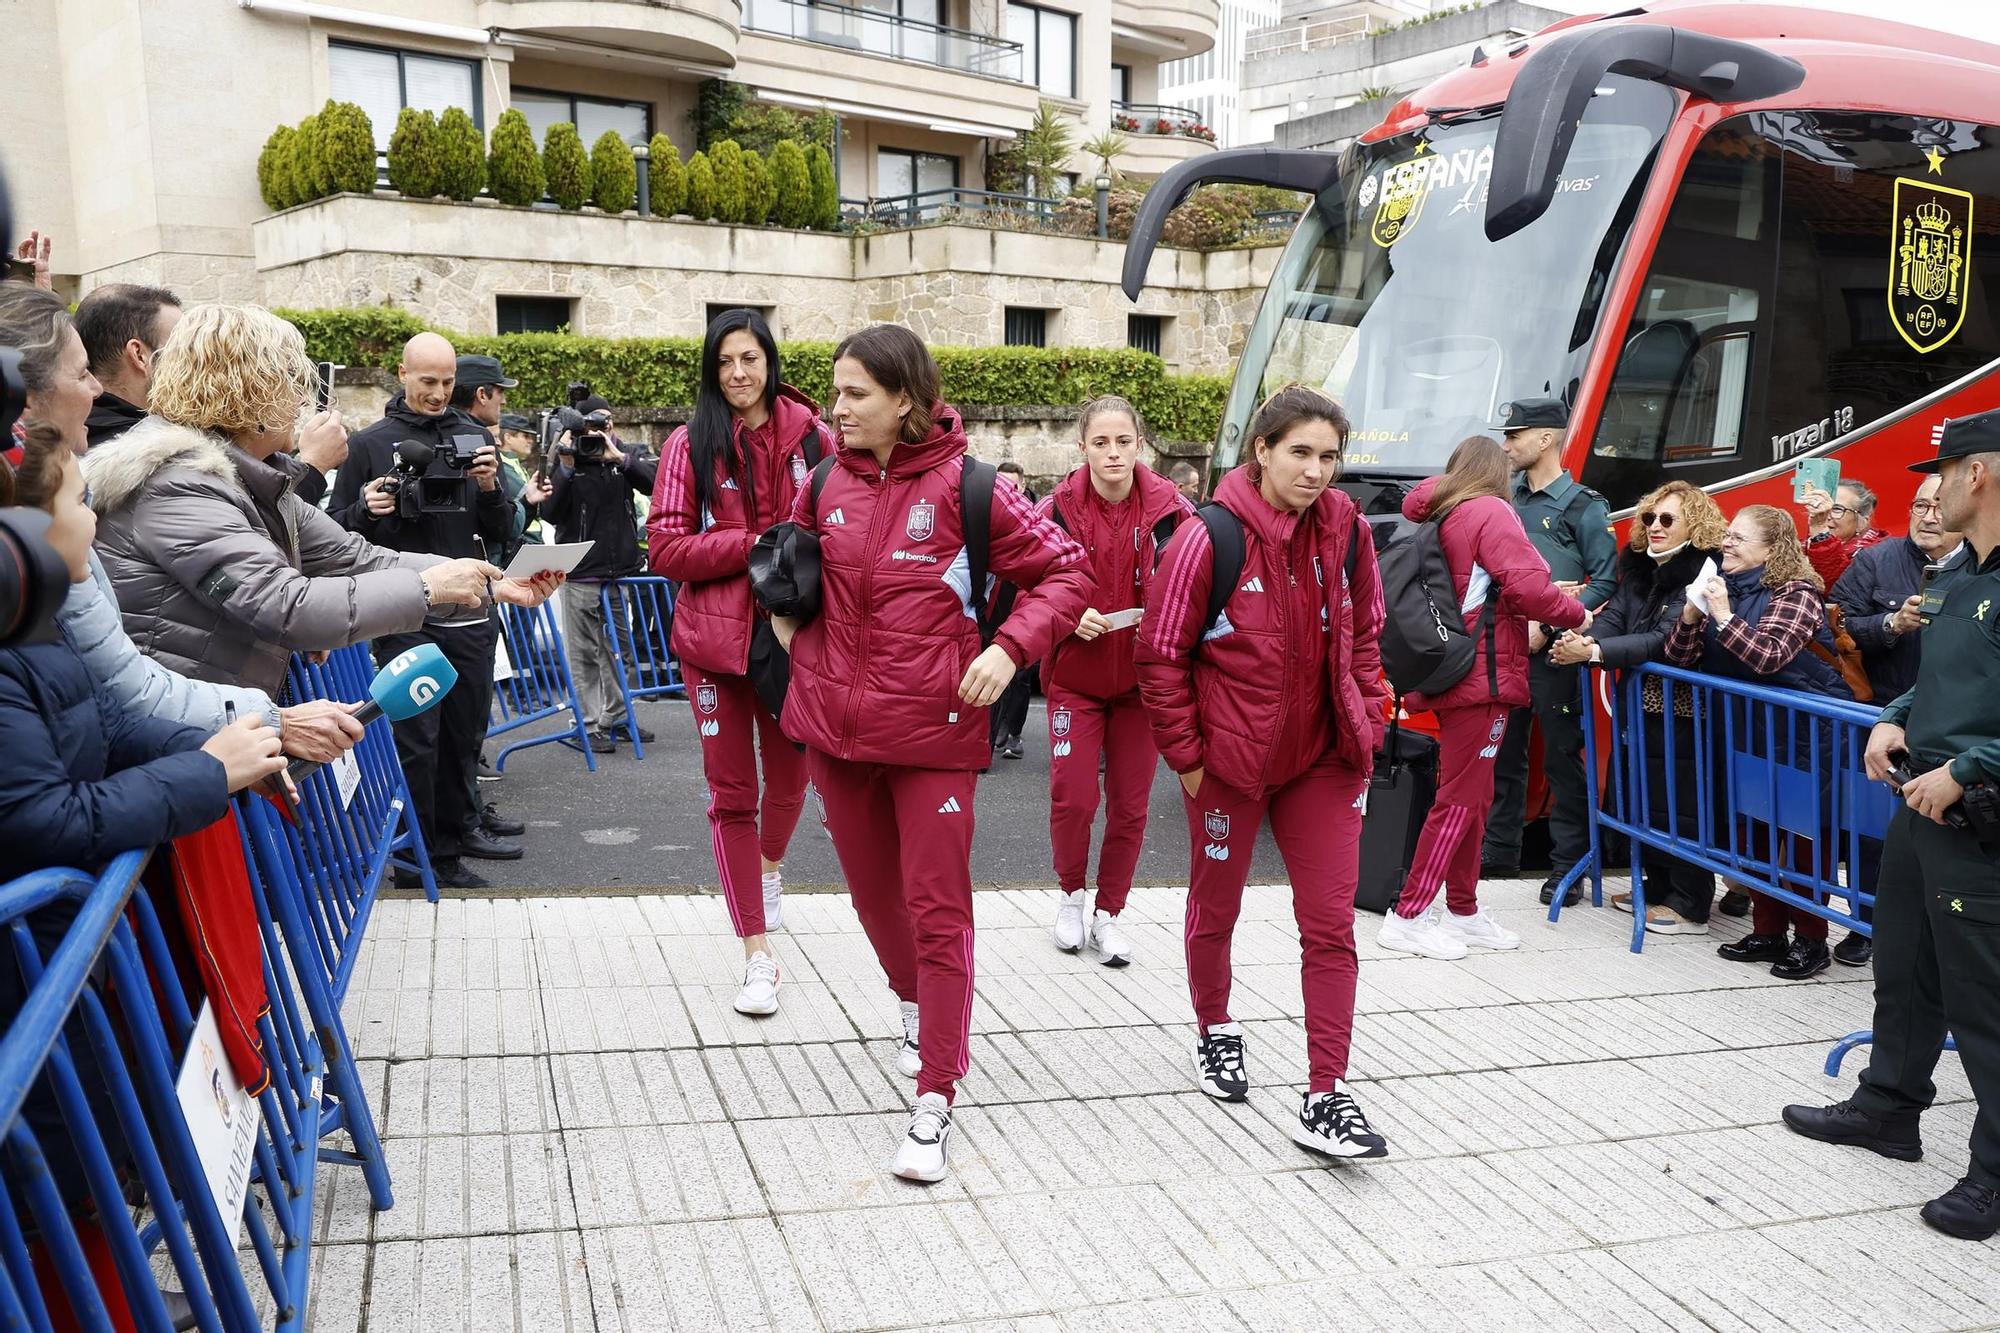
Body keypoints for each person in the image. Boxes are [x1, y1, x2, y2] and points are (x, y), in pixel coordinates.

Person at [85, 308, 558, 892]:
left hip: (202, 737)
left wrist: (484, 581)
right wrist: (429, 588)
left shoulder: (247, 477)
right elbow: (286, 605)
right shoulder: (180, 483)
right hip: (168, 744)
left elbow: (357, 558)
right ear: (252, 390)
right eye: (294, 381)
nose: (304, 402)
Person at [771, 324, 1088, 1182]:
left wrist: (1007, 648)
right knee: (877, 904)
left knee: (937, 907)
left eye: (854, 394)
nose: (836, 408)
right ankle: (913, 1005)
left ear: (904, 397)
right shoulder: (827, 478)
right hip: (836, 734)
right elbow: (788, 564)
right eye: (834, 392)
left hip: (936, 737)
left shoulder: (971, 487)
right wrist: (792, 633)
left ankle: (937, 1094)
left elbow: (1067, 574)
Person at [0, 423, 293, 1332]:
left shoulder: (40, 633)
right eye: (80, 502)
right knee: (55, 1161)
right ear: (22, 538)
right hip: (34, 971)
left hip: (71, 966)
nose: (94, 518)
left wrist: (227, 749)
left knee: (84, 1165)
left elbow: (102, 738)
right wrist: (207, 773)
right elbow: (43, 814)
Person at [1136, 385, 1392, 1160]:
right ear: (1263, 451)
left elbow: (1368, 636)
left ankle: (1326, 1090)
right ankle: (1215, 1027)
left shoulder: (1347, 531)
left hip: (1323, 761)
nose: (1317, 471)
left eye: (1330, 456)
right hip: (1228, 764)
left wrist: (1369, 718)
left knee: (1331, 923)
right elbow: (1159, 654)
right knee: (1217, 909)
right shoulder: (1207, 536)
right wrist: (1186, 758)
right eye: (1301, 453)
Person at [1784, 407, 2000, 1243]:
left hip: (1977, 817)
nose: (1933, 491)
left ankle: (1992, 1174)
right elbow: (1937, 675)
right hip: (1921, 806)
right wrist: (1895, 717)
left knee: (1983, 1002)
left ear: (1976, 473)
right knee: (1903, 968)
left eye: (1939, 474)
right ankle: (1888, 1107)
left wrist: (1969, 770)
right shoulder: (1960, 571)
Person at [650, 309, 824, 1016]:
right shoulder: (689, 444)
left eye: (749, 358)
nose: (738, 374)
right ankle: (757, 953)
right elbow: (663, 549)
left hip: (791, 638)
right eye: (724, 362)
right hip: (713, 645)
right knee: (732, 795)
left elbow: (837, 526)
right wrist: (749, 542)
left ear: (770, 361)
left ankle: (770, 868)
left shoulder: (815, 436)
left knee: (791, 782)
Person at [1378, 435, 1589, 960]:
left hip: (1451, 666)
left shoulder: (1441, 509)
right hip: (1483, 672)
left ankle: (1464, 910)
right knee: (1460, 798)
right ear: (1498, 473)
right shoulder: (1491, 510)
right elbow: (1526, 587)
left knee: (1472, 795)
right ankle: (1409, 914)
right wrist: (1577, 615)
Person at [329, 333, 528, 886]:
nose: (440, 394)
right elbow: (333, 531)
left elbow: (498, 531)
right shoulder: (369, 444)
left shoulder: (472, 435)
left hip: (471, 611)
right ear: (402, 375)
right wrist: (367, 506)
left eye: (447, 383)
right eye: (428, 382)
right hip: (405, 613)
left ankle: (460, 830)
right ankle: (423, 860)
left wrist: (489, 488)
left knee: (466, 732)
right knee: (418, 741)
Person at [1038, 395, 1193, 965]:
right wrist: (1065, 613)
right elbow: (1028, 577)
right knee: (1074, 797)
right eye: (1100, 442)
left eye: (1122, 442)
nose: (1112, 453)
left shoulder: (1173, 511)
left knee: (1131, 807)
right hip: (1074, 679)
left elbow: (1194, 580)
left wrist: (1166, 611)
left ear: (1140, 445)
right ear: (1082, 447)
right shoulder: (1054, 509)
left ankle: (1109, 913)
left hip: (1142, 685)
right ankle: (1070, 898)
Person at [1665, 504, 1850, 979]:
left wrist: (1723, 615)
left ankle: (1811, 940)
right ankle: (1768, 930)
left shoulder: (1796, 593)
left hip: (1805, 734)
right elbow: (1680, 659)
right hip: (1751, 730)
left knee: (1806, 842)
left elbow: (1767, 657)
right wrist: (1690, 616)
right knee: (1756, 836)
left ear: (1771, 550)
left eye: (1738, 538)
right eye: (1726, 534)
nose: (1725, 542)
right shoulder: (1722, 589)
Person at [1552, 481, 1728, 932]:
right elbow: (1617, 616)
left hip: (1688, 708)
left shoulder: (1703, 572)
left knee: (1682, 801)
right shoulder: (1641, 567)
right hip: (1641, 701)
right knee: (1644, 795)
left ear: (1695, 524)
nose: (1654, 527)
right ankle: (1656, 883)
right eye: (1650, 517)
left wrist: (1592, 654)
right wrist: (1587, 637)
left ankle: (1689, 902)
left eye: (1668, 519)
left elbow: (1663, 641)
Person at [1480, 399, 1617, 904]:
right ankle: (1497, 852)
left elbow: (1606, 581)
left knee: (1561, 758)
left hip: (1556, 649)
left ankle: (1569, 867)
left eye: (1516, 434)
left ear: (1546, 439)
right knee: (1501, 752)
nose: (1507, 444)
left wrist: (1554, 616)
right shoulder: (1504, 498)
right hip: (1503, 643)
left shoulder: (1584, 505)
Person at [1827, 473, 1962, 967]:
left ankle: (1934, 936)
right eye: (1919, 505)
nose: (1927, 516)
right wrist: (1890, 624)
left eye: (1938, 505)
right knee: (1871, 832)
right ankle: (1866, 924)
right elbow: (1835, 621)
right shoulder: (1878, 560)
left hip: (1952, 730)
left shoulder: (1979, 569)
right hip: (1882, 718)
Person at [547, 393, 657, 752]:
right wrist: (564, 463)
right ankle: (588, 724)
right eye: (594, 423)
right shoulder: (566, 457)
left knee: (620, 652)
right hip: (580, 573)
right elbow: (549, 511)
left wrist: (621, 459)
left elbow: (657, 485)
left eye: (607, 421)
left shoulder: (623, 455)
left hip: (617, 571)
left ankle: (619, 717)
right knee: (584, 655)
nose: (602, 429)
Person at [451, 354, 549, 565]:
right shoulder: (479, 441)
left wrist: (528, 502)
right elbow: (503, 527)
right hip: (475, 579)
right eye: (500, 391)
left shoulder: (438, 434)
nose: (503, 400)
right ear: (482, 395)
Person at [73, 283, 181, 449]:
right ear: (139, 355)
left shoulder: (65, 436)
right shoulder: (163, 454)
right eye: (181, 349)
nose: (191, 361)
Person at [988, 459, 1041, 760]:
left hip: (1023, 608)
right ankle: (997, 730)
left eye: (1012, 484)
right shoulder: (988, 512)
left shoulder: (1036, 517)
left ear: (1021, 486)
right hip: (996, 607)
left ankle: (1014, 732)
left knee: (1020, 677)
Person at [1801, 477, 1889, 589]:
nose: (1825, 514)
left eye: (1837, 509)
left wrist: (1821, 534)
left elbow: (1833, 589)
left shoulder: (1876, 556)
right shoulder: (1803, 547)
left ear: (1861, 522)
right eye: (1822, 506)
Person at [497, 410, 546, 545]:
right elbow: (526, 497)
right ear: (508, 437)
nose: (530, 441)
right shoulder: (502, 466)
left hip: (529, 537)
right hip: (520, 540)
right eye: (525, 436)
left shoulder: (515, 463)